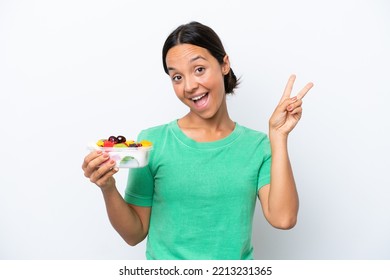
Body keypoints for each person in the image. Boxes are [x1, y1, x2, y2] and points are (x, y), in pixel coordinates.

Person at [82, 21, 313, 260]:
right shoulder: (152, 142)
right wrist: (108, 188)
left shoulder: (258, 146)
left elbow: (283, 218)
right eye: (177, 77)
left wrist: (279, 136)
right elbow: (134, 233)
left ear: (224, 64)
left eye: (199, 69)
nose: (190, 86)